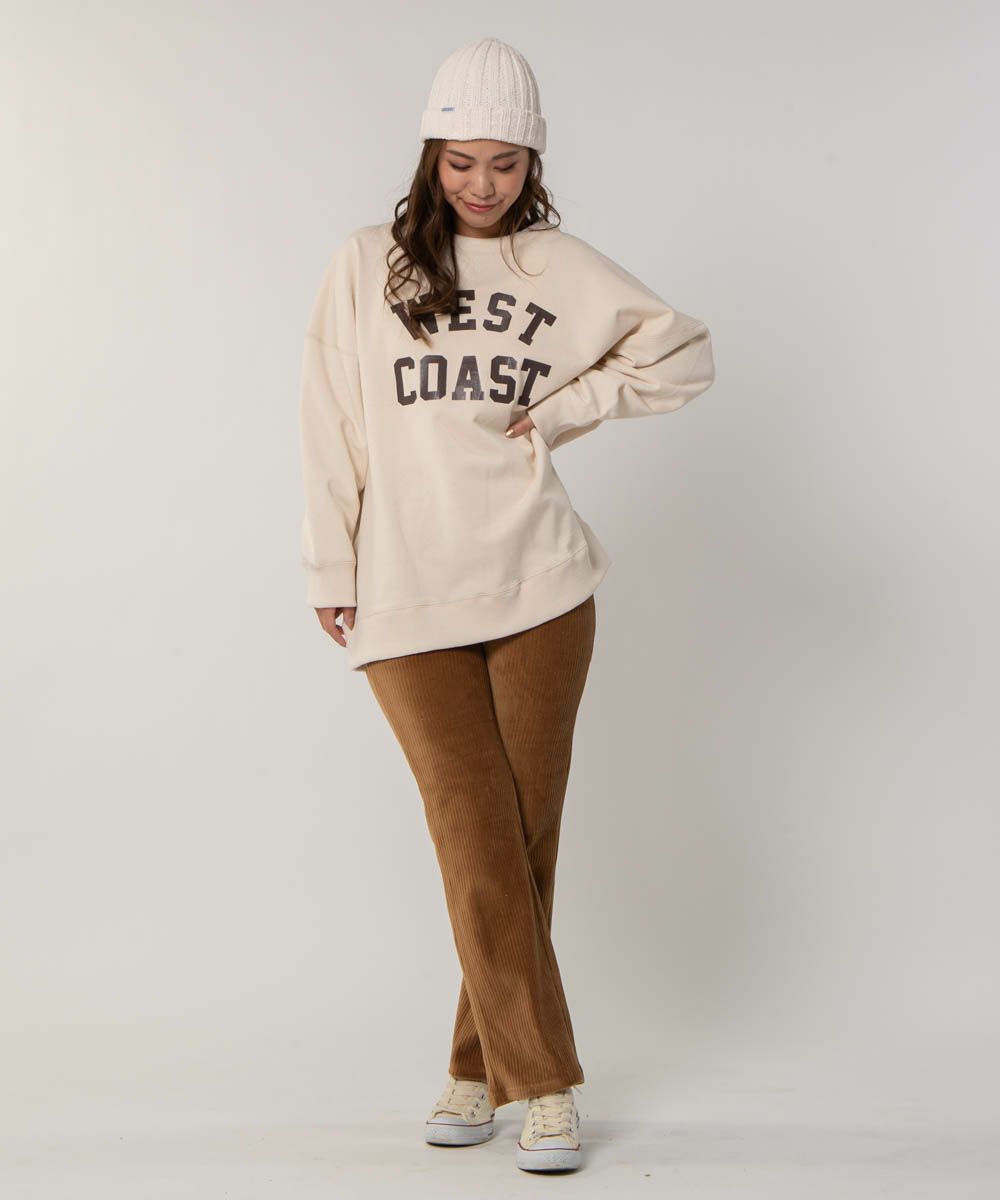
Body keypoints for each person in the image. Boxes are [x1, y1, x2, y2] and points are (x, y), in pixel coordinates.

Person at [297, 36, 716, 1175]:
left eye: (505, 163)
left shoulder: (555, 267)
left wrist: (571, 407)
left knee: (519, 844)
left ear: (533, 163)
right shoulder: (365, 266)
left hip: (542, 586)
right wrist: (331, 569)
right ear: (429, 157)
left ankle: (476, 1071)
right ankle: (549, 1085)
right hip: (404, 594)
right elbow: (330, 423)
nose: (482, 185)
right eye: (461, 162)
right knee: (472, 828)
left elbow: (684, 354)